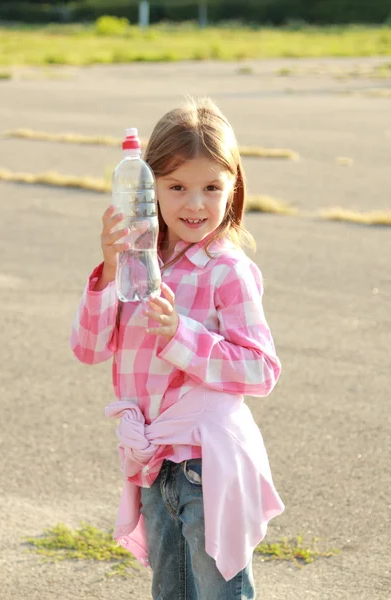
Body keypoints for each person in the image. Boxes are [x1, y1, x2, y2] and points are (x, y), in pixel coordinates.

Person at [70, 97, 284, 600]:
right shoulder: (137, 266)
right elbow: (88, 348)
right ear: (148, 189)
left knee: (218, 590)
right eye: (177, 187)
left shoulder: (226, 270)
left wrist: (180, 335)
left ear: (233, 190)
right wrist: (106, 270)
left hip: (205, 461)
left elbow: (261, 369)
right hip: (151, 461)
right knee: (171, 590)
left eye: (212, 188)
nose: (195, 204)